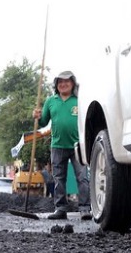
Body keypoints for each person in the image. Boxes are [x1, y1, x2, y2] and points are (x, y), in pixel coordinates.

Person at [34, 70, 90, 220]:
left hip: (78, 145)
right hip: (57, 145)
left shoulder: (80, 100)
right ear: (56, 85)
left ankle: (85, 208)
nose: (63, 84)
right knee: (59, 179)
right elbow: (44, 122)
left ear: (72, 83)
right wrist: (38, 117)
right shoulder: (50, 101)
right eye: (60, 82)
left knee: (82, 177)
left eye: (66, 81)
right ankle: (60, 209)